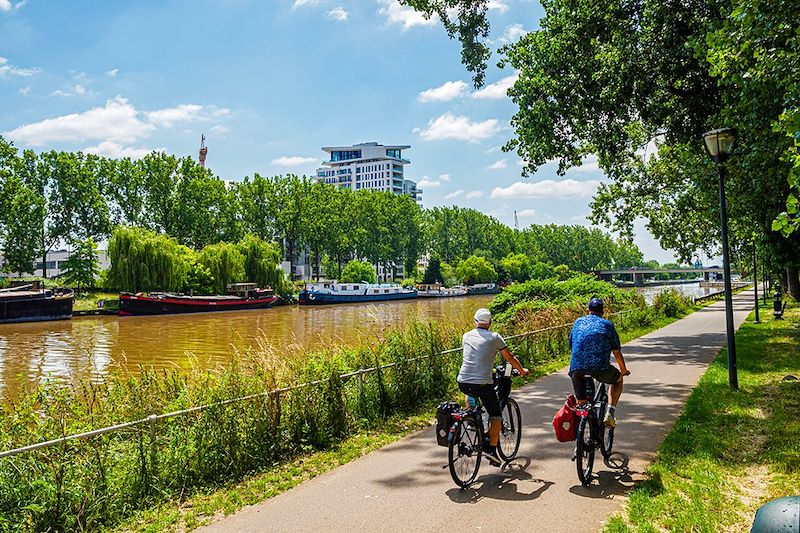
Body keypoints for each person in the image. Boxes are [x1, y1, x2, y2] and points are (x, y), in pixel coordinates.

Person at [457, 308, 529, 466]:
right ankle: (491, 450)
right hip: (483, 383)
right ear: (490, 323)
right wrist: (522, 371)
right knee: (495, 414)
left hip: (462, 381)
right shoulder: (495, 337)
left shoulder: (466, 336)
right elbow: (509, 358)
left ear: (474, 321)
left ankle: (471, 419)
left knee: (470, 390)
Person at [569, 297, 630, 428]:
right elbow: (616, 352)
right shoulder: (607, 324)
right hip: (600, 368)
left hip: (576, 369)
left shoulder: (578, 322)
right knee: (617, 380)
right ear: (603, 312)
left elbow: (571, 344)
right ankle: (610, 413)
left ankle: (579, 443)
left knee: (582, 405)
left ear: (587, 310)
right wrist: (623, 370)